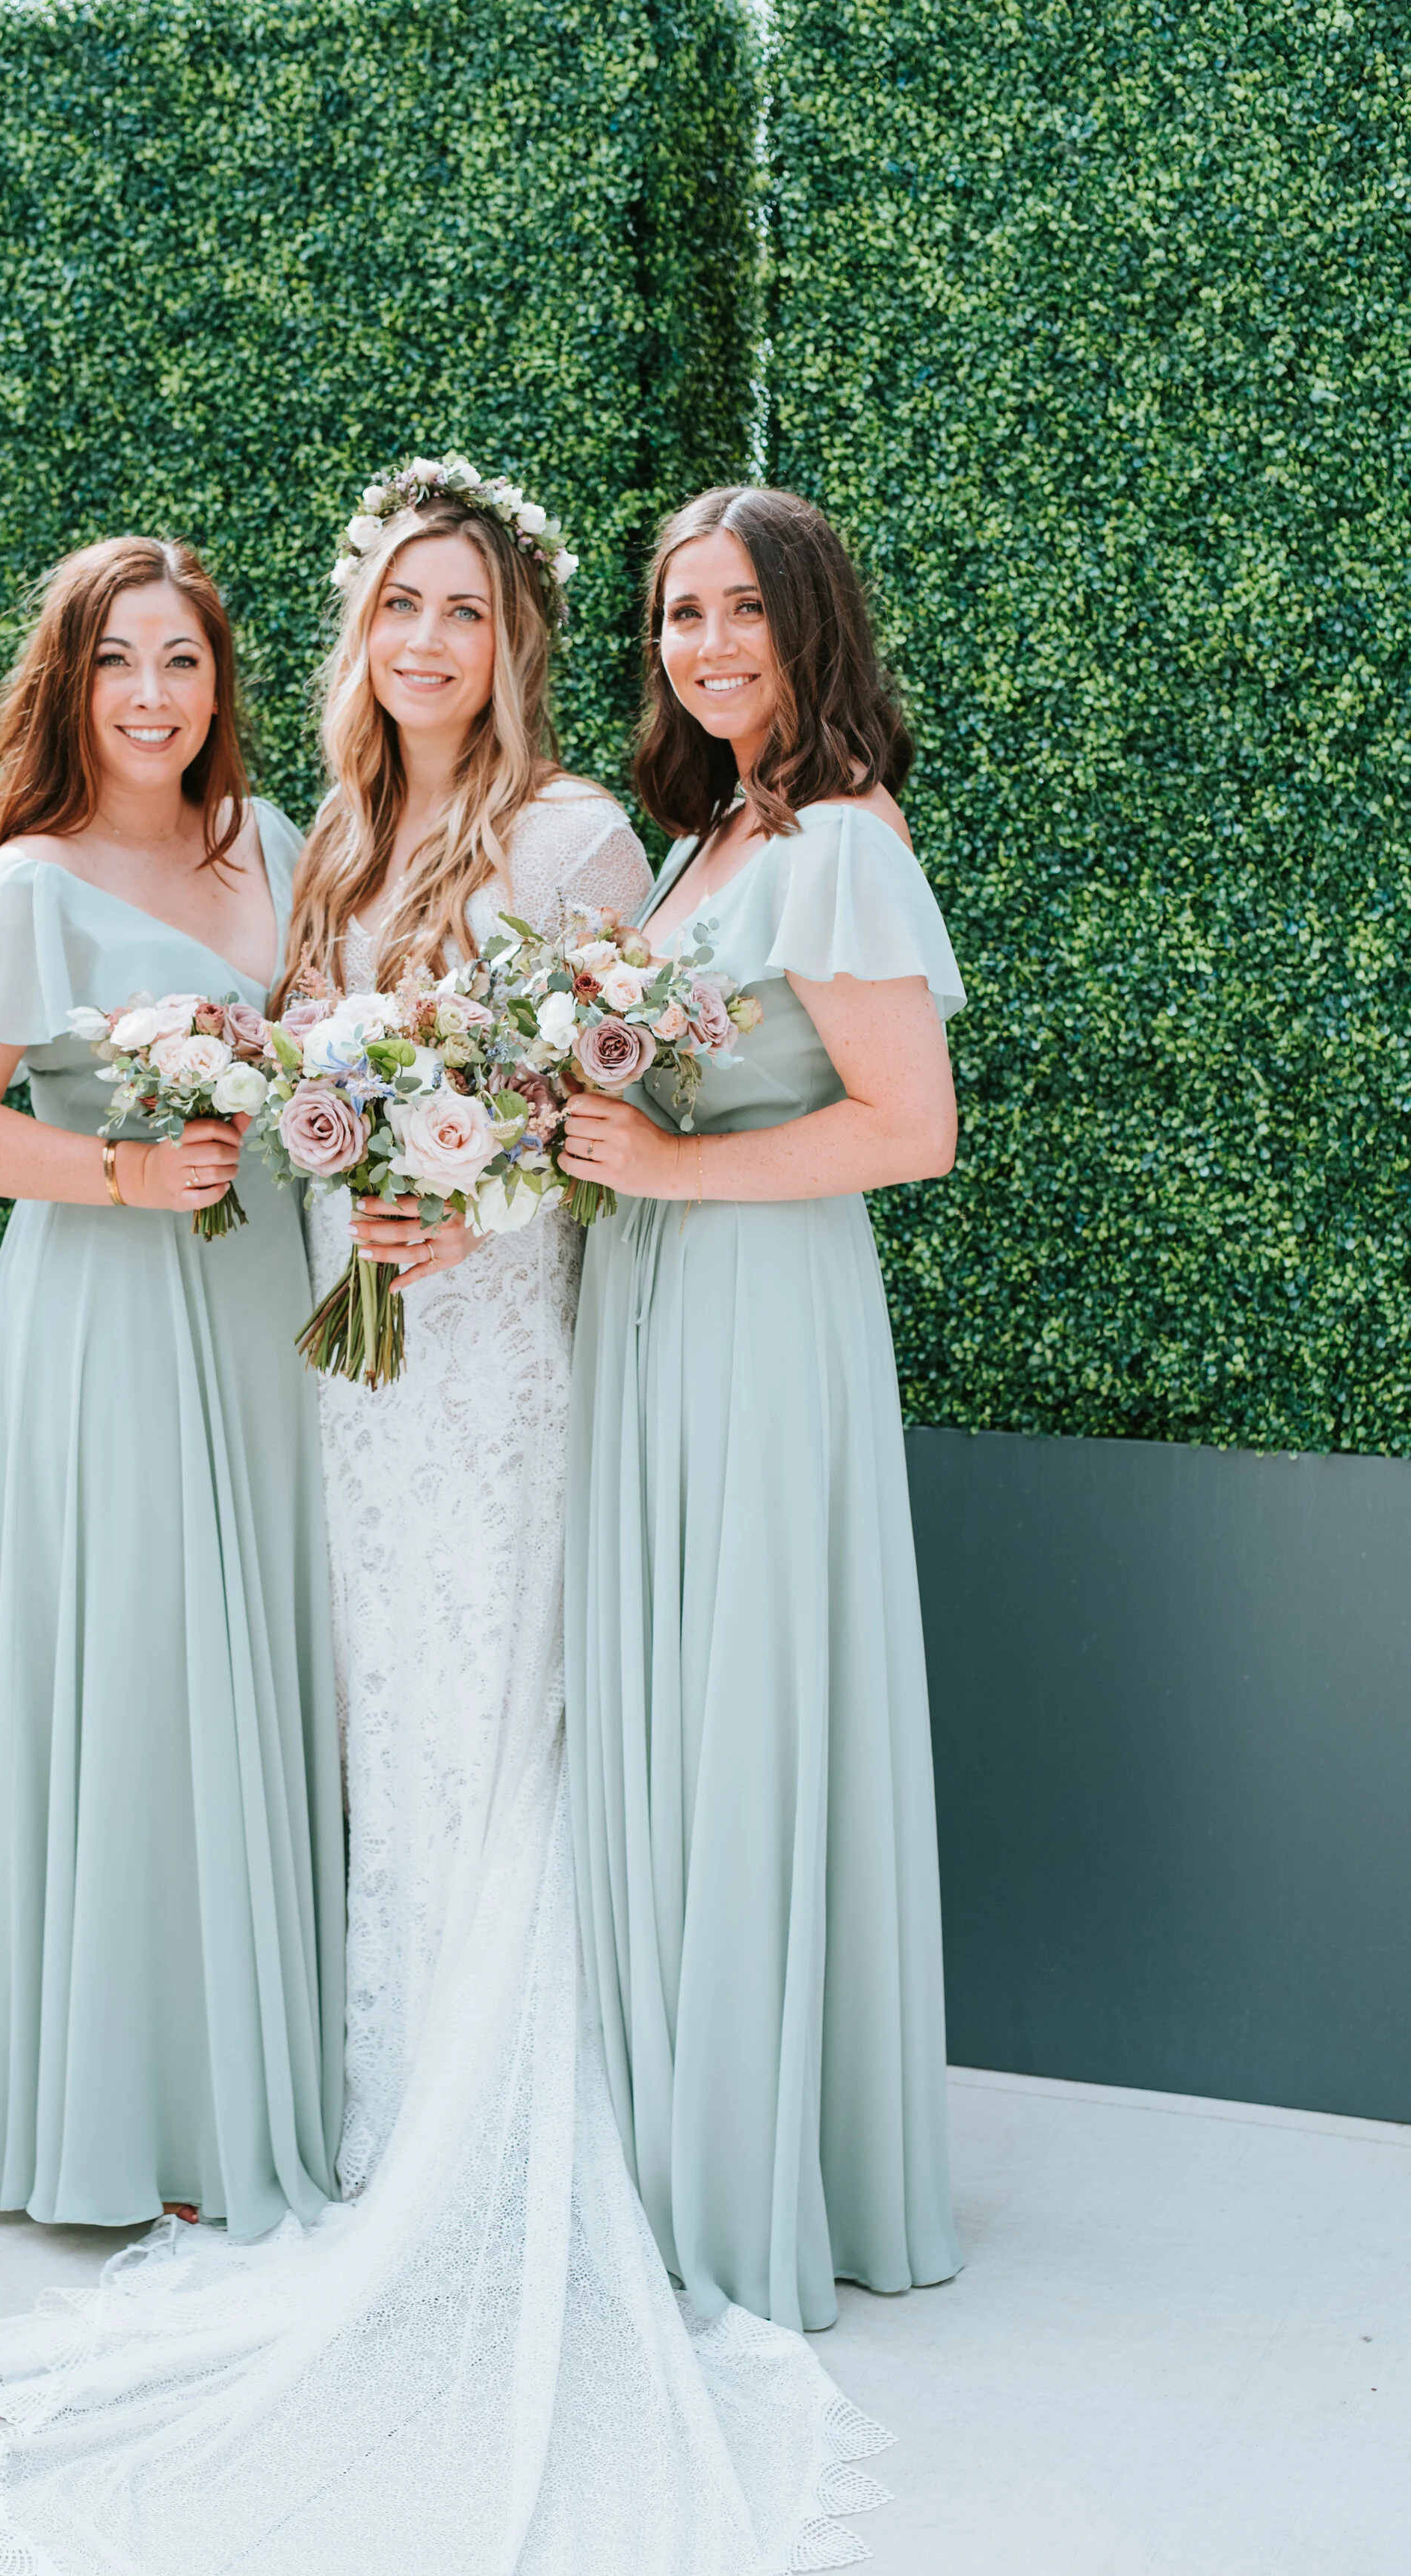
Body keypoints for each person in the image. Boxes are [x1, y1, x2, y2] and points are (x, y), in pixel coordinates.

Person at [0, 464, 890, 2576]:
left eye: (464, 610)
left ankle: (506, 2133)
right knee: (384, 1716)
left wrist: (480, 1201)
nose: (426, 643)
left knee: (501, 1705)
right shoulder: (322, 843)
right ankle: (379, 2109)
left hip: (501, 1354)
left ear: (512, 640)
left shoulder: (575, 839)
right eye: (397, 609)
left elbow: (609, 1119)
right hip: (345, 1370)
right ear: (356, 635)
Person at [0, 534, 343, 2237]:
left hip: (261, 1306)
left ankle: (257, 2081)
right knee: (141, 1669)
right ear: (69, 685)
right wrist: (124, 1174)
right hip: (105, 1312)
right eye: (115, 661)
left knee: (257, 1662)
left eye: (182, 660)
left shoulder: (274, 847)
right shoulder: (32, 883)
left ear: (221, 684)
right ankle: (125, 2113)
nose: (151, 695)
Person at [564, 484, 966, 2335]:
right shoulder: (707, 834)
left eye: (740, 610)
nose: (706, 645)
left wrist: (664, 1171)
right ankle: (672, 2123)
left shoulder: (840, 842)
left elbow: (909, 1125)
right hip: (658, 1297)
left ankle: (753, 2161)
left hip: (757, 1302)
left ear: (811, 625)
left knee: (748, 1691)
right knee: (672, 1691)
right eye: (678, 614)